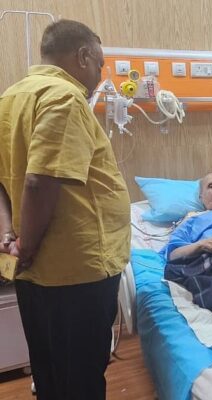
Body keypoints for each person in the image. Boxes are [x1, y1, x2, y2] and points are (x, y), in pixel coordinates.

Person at [0, 20, 130, 399]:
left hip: (32, 268)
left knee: (49, 369)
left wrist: (10, 237)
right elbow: (39, 180)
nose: (99, 75)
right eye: (100, 64)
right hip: (76, 270)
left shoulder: (9, 99)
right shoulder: (65, 98)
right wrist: (28, 245)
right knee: (82, 377)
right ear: (83, 56)